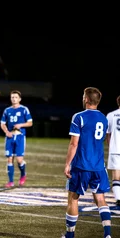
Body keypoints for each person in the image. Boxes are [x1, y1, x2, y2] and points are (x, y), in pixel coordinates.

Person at [62, 87, 111, 238]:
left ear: (87, 99)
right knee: (101, 198)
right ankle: (107, 234)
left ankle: (70, 235)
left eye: (84, 96)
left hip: (81, 165)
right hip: (98, 166)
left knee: (73, 198)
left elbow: (74, 144)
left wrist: (67, 163)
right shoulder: (103, 118)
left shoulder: (79, 117)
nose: (83, 98)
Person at [0, 90, 33, 188]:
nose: (14, 99)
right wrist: (7, 132)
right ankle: (11, 181)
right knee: (9, 159)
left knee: (19, 160)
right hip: (9, 137)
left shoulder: (24, 109)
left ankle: (23, 174)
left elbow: (30, 123)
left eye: (15, 97)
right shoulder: (7, 110)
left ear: (19, 99)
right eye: (12, 97)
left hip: (20, 137)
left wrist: (21, 124)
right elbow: (2, 123)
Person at [106, 95, 120, 207]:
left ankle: (119, 198)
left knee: (116, 176)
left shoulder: (110, 115)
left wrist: (110, 147)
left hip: (115, 149)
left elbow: (108, 134)